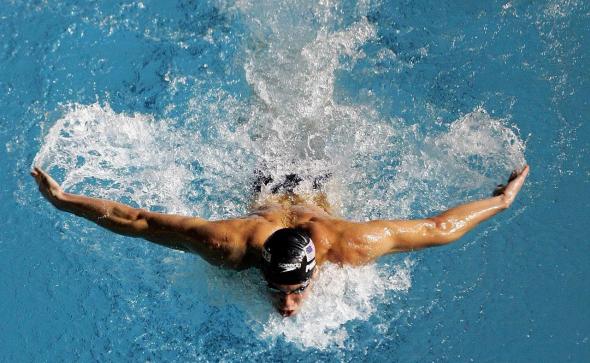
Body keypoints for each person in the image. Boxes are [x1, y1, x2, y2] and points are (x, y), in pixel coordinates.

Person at [31, 165, 529, 317]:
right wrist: (63, 198)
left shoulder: (351, 246)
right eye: (278, 291)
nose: (287, 307)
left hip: (317, 181)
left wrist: (501, 202)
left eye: (293, 291)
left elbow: (440, 228)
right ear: (260, 265)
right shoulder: (229, 245)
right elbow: (139, 220)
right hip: (266, 181)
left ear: (317, 267)